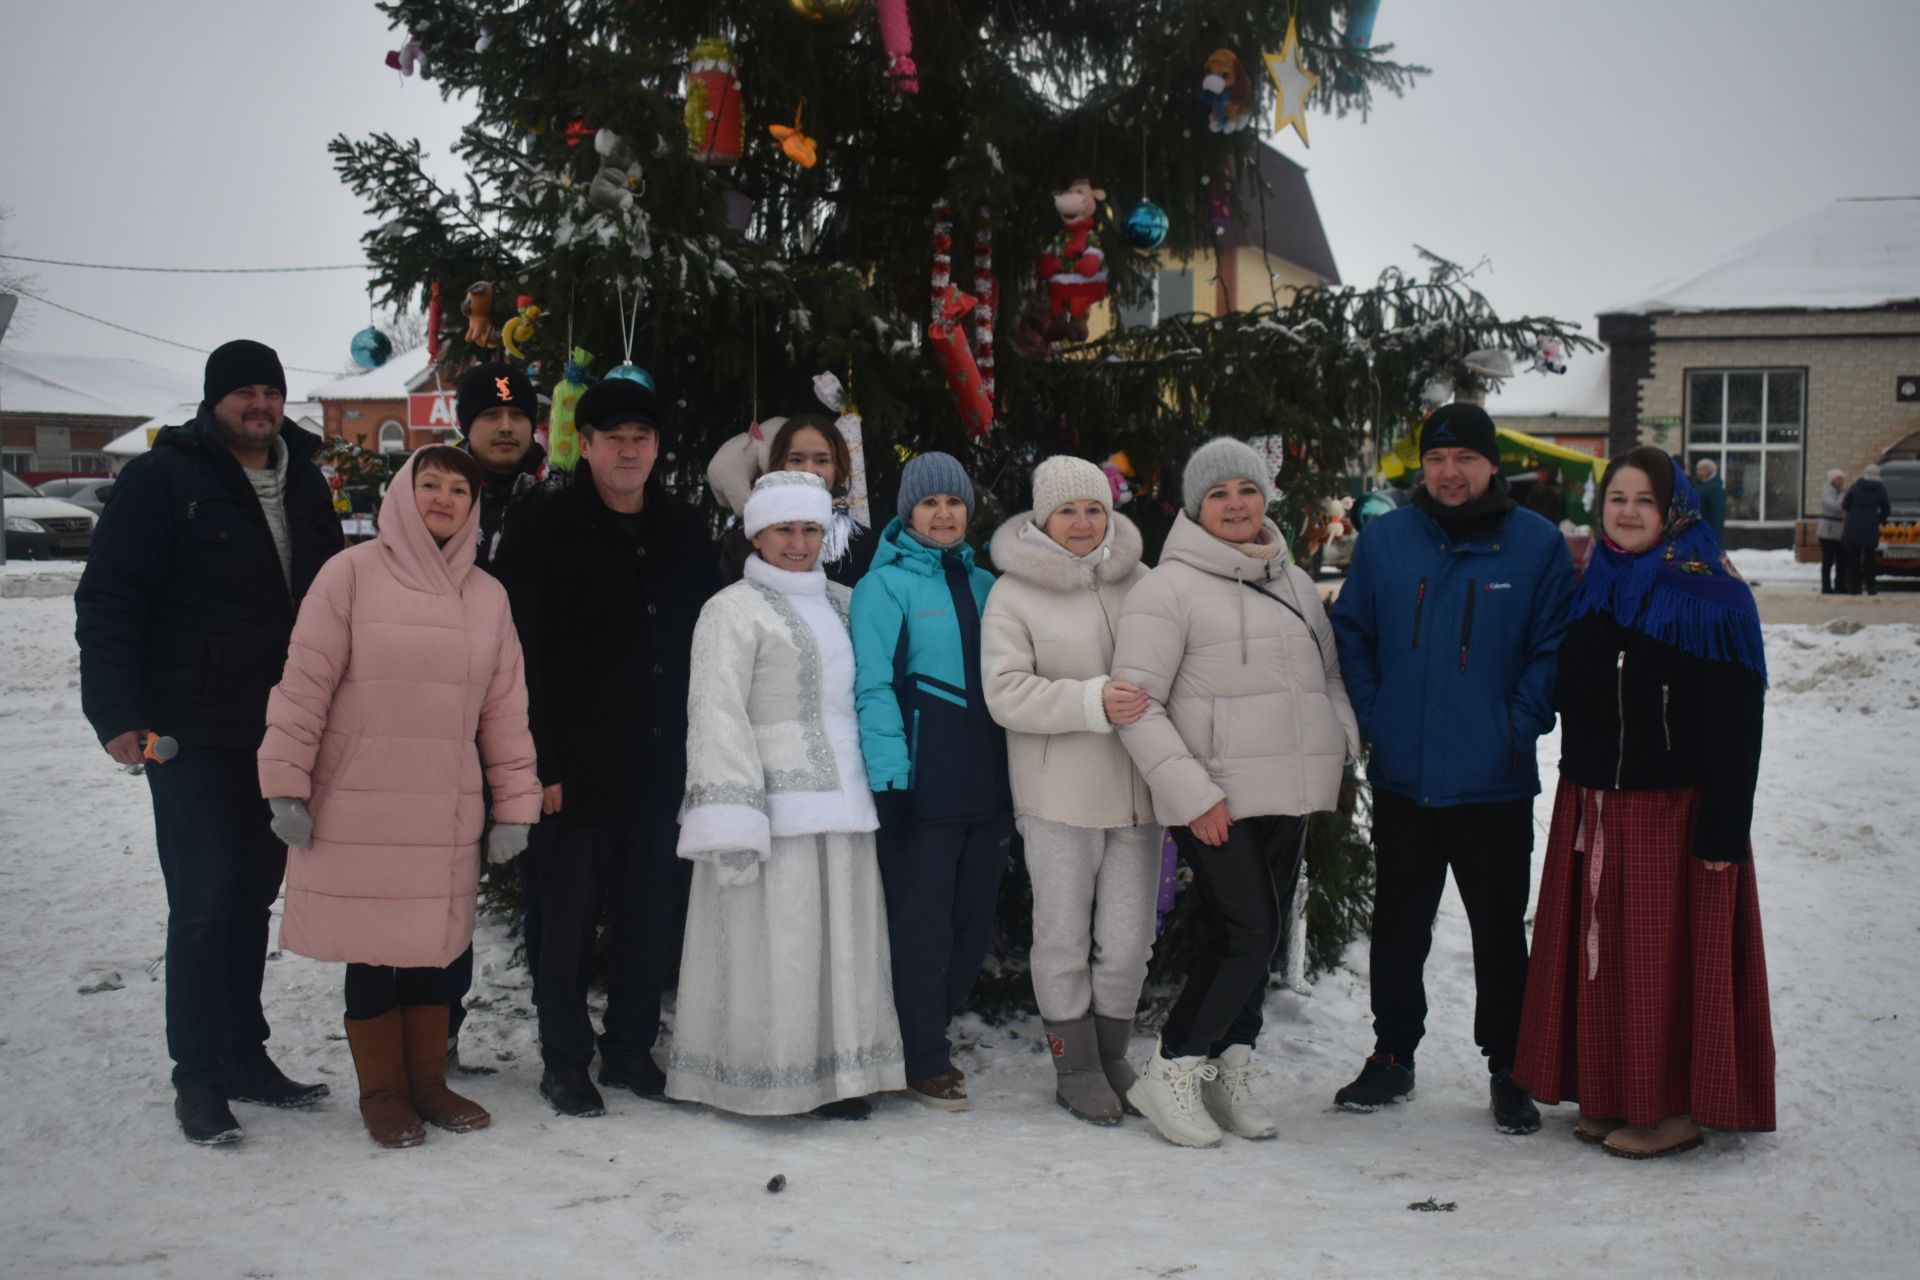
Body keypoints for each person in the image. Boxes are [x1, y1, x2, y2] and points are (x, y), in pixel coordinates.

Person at [76, 339, 343, 1145]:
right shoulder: (164, 479)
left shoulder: (306, 479)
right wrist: (116, 715)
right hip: (189, 734)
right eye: (244, 392)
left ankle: (242, 1054)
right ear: (213, 399)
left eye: (271, 391)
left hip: (282, 731)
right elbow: (111, 597)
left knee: (252, 898)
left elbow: (331, 594)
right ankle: (197, 1077)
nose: (259, 405)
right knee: (202, 903)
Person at [257, 447, 543, 1148]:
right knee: (373, 951)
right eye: (430, 484)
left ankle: (428, 1083)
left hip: (443, 807)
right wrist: (285, 784)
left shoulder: (487, 596)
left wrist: (515, 805)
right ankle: (383, 1092)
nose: (443, 499)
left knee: (433, 949)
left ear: (473, 504)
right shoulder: (349, 577)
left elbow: (505, 713)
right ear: (403, 491)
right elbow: (303, 687)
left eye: (457, 489)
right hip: (361, 801)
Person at [1513, 447, 1774, 1158]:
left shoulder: (1713, 598)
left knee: (1661, 965)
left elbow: (1735, 727)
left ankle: (1672, 1108)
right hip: (1593, 802)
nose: (1626, 512)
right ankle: (1610, 1093)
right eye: (1616, 498)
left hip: (1673, 811)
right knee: (1603, 961)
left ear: (1674, 511)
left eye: (1644, 501)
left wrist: (1722, 833)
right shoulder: (1593, 586)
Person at [1329, 402, 1576, 1135]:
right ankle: (1392, 1054)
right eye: (1437, 459)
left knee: (1499, 930)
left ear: (1491, 464)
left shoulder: (1535, 547)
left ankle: (1509, 1066)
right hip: (1405, 777)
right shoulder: (1387, 540)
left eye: (1464, 458)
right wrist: (1378, 717)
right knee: (1399, 927)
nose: (1449, 472)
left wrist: (1517, 721)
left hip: (1492, 779)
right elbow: (1353, 635)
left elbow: (1553, 645)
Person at [1111, 438, 1360, 1148]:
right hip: (1214, 796)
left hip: (1289, 789)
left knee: (1258, 932)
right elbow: (1136, 704)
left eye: (1245, 491)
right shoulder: (1167, 588)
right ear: (1195, 506)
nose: (1235, 505)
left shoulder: (1295, 581)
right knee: (1250, 933)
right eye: (1218, 494)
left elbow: (1330, 676)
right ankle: (1174, 1068)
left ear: (1264, 498)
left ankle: (1230, 1066)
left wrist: (1337, 744)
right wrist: (1193, 796)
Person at [494, 378, 719, 1117]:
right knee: (562, 924)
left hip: (661, 768)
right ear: (583, 445)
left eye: (642, 438)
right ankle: (565, 1059)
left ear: (657, 448)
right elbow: (517, 653)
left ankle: (628, 1048)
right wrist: (540, 763)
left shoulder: (686, 531)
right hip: (574, 772)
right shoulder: (543, 529)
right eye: (613, 437)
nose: (629, 450)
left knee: (649, 919)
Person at [669, 472, 906, 1118]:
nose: (798, 543)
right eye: (783, 530)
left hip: (847, 800)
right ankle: (771, 1074)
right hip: (771, 807)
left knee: (842, 948)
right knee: (780, 947)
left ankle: (840, 1078)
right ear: (756, 534)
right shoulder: (730, 611)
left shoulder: (846, 602)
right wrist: (731, 813)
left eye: (809, 529)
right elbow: (716, 713)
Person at [981, 455, 1159, 1125]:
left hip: (1139, 793)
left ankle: (1113, 1051)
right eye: (1067, 511)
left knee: (1129, 936)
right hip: (1059, 795)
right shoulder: (1014, 594)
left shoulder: (1140, 580)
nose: (1082, 523)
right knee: (1061, 934)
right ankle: (1075, 1063)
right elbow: (1005, 692)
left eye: (1092, 508)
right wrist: (1091, 701)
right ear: (1041, 518)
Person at [851, 452, 1013, 1111]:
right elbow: (872, 687)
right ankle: (921, 1056)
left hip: (992, 788)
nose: (943, 513)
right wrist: (891, 781)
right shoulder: (883, 587)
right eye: (929, 503)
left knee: (971, 931)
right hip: (924, 787)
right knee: (923, 930)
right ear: (907, 512)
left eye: (953, 502)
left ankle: (915, 1035)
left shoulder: (988, 585)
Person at [446, 360, 569, 1063]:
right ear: (468, 423)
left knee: (546, 887)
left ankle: (560, 1042)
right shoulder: (439, 496)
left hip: (535, 719)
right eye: (490, 416)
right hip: (450, 719)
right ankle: (439, 1029)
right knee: (446, 884)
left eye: (517, 415)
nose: (505, 426)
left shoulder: (559, 499)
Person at [708, 413, 877, 588]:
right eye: (796, 459)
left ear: (838, 468)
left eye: (822, 460)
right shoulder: (744, 543)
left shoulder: (865, 545)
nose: (809, 470)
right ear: (777, 464)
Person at [1841, 463, 1892, 596]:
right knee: (1870, 559)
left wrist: (1853, 515)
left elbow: (1845, 504)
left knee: (1854, 559)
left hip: (1853, 527)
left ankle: (1855, 588)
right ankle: (1871, 587)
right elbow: (1886, 509)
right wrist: (1878, 519)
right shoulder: (1880, 488)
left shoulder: (1856, 486)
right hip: (1871, 528)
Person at [1815, 469, 1847, 595]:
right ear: (1833, 480)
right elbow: (1837, 507)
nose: (1841, 482)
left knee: (1841, 560)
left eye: (1842, 479)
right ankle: (1826, 587)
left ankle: (1840, 585)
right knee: (1828, 560)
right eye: (1839, 479)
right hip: (1827, 531)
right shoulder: (1827, 492)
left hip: (1839, 531)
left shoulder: (1840, 493)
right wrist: (1843, 496)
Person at [1693, 458, 1726, 539]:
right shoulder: (1701, 485)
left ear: (1709, 471)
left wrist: (1713, 536)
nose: (1698, 472)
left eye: (1701, 470)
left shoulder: (1715, 489)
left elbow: (1717, 514)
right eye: (1697, 469)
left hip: (1707, 533)